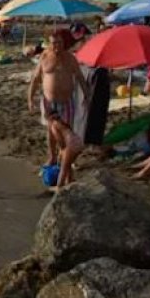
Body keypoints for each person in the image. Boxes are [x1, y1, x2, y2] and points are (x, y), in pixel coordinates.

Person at [27, 31, 88, 166]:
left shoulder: (70, 58)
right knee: (51, 131)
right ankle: (52, 157)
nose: (57, 46)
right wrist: (30, 99)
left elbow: (80, 78)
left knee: (67, 131)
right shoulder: (44, 57)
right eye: (54, 43)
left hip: (66, 101)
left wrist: (87, 96)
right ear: (49, 44)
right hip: (49, 102)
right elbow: (35, 79)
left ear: (63, 43)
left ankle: (65, 155)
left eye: (59, 43)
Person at [48, 112, 85, 188]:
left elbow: (60, 141)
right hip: (79, 141)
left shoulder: (54, 125)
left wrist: (61, 152)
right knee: (68, 163)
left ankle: (59, 186)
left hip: (71, 144)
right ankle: (69, 180)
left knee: (63, 167)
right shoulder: (64, 123)